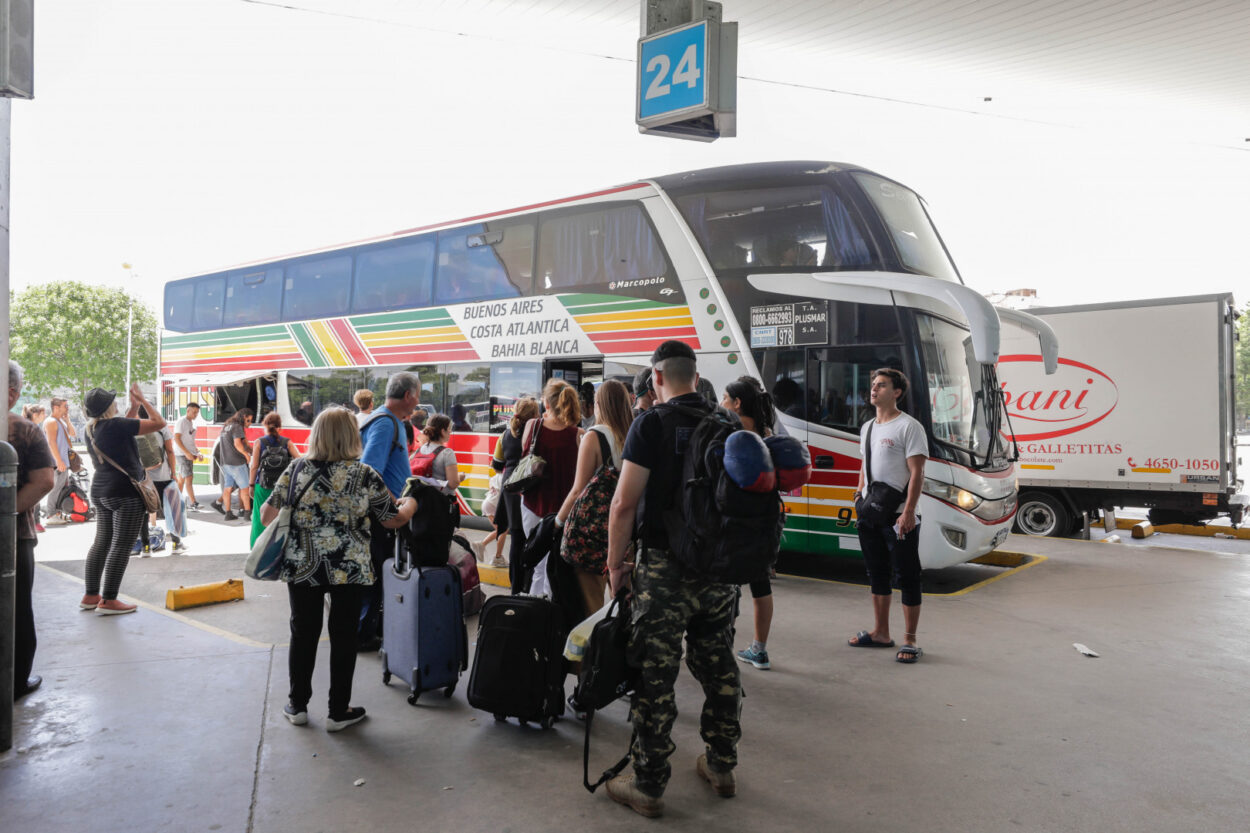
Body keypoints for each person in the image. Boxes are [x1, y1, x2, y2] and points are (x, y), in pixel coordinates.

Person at [604, 340, 742, 817]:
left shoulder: (650, 425)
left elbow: (623, 504)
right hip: (719, 570)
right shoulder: (725, 422)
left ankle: (648, 784)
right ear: (695, 375)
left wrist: (615, 564)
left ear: (657, 377)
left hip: (663, 568)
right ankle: (722, 765)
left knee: (655, 676)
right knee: (719, 664)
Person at [260, 407, 417, 732]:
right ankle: (337, 711)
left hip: (303, 564)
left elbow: (266, 516)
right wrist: (413, 503)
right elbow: (394, 519)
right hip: (349, 568)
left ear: (316, 434)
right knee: (344, 636)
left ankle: (298, 705)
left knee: (303, 633)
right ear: (351, 436)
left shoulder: (296, 469)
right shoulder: (364, 475)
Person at [847, 367, 928, 664]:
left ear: (896, 392)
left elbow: (917, 473)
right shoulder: (868, 427)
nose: (874, 389)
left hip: (898, 516)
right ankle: (881, 632)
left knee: (907, 576)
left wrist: (908, 512)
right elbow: (864, 465)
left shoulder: (909, 427)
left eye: (881, 385)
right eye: (873, 385)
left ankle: (910, 640)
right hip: (870, 513)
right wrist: (858, 494)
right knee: (876, 573)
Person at [81, 383, 167, 615]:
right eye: (113, 401)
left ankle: (90, 595)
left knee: (102, 542)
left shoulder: (92, 429)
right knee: (121, 545)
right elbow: (159, 423)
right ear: (109, 407)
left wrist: (134, 406)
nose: (116, 403)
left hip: (101, 491)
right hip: (125, 493)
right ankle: (109, 599)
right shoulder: (115, 425)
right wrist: (144, 401)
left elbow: (124, 428)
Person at [555, 379, 632, 617]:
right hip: (627, 531)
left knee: (592, 606)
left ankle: (595, 651)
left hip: (593, 535)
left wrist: (558, 521)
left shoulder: (594, 437)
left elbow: (579, 490)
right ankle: (622, 648)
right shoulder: (634, 434)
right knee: (626, 603)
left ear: (598, 404)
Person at [357, 371, 422, 649]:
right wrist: (394, 504)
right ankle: (363, 634)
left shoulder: (388, 421)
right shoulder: (385, 424)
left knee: (379, 574)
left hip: (382, 514)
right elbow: (370, 471)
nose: (418, 402)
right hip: (381, 516)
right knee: (375, 576)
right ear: (408, 395)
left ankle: (369, 628)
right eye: (417, 395)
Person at [720, 377, 778, 670]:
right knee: (760, 584)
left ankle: (720, 647)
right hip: (764, 518)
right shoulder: (767, 431)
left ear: (737, 403)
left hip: (734, 518)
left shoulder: (731, 431)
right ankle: (760, 649)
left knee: (725, 584)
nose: (721, 403)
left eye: (725, 398)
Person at [8, 362, 56, 698]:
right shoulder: (24, 430)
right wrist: (5, 513)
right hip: (13, 536)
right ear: (12, 392)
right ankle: (15, 682)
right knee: (16, 608)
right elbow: (45, 480)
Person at [520, 379, 582, 539]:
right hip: (565, 511)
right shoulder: (579, 435)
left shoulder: (532, 426)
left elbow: (525, 458)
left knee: (536, 558)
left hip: (532, 505)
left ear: (546, 404)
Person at [495, 396, 539, 593]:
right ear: (535, 415)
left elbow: (497, 464)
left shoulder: (504, 435)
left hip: (510, 488)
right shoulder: (537, 433)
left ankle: (515, 587)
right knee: (532, 538)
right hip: (529, 486)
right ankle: (528, 586)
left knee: (516, 538)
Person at [248, 411, 302, 547]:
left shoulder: (259, 443)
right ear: (280, 427)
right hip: (282, 487)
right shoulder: (287, 442)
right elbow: (300, 461)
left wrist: (251, 485)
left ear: (265, 426)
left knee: (259, 519)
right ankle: (279, 547)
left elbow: (254, 467)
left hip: (262, 486)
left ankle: (257, 548)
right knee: (281, 518)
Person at [139, 423, 186, 554]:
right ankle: (176, 544)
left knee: (144, 511)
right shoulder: (160, 426)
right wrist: (173, 473)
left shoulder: (133, 426)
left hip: (143, 478)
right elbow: (170, 451)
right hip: (163, 476)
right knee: (171, 509)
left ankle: (145, 547)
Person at [213, 408, 254, 521]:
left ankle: (228, 513)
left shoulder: (227, 426)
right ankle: (247, 513)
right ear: (244, 417)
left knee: (227, 488)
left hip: (226, 463)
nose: (250, 423)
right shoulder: (237, 426)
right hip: (237, 463)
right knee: (244, 488)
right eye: (249, 420)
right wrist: (246, 455)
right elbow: (237, 444)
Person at [42, 397, 76, 525]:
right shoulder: (51, 422)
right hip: (57, 462)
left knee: (60, 487)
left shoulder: (60, 421)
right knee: (55, 488)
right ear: (56, 407)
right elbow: (51, 443)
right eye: (65, 406)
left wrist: (67, 419)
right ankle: (50, 515)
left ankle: (54, 512)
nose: (67, 408)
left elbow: (73, 434)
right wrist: (59, 461)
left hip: (63, 462)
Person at [413, 414, 461, 497]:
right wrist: (461, 476)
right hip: (440, 502)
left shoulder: (419, 450)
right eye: (449, 428)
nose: (450, 431)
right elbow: (453, 484)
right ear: (443, 431)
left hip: (422, 500)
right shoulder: (447, 453)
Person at [173, 402, 203, 509]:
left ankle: (176, 501)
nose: (196, 415)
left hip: (189, 454)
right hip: (182, 454)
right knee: (189, 478)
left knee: (182, 479)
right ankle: (193, 503)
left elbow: (190, 441)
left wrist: (197, 452)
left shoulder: (191, 423)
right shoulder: (181, 422)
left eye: (197, 413)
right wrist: (186, 453)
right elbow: (176, 438)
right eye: (194, 412)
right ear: (188, 411)